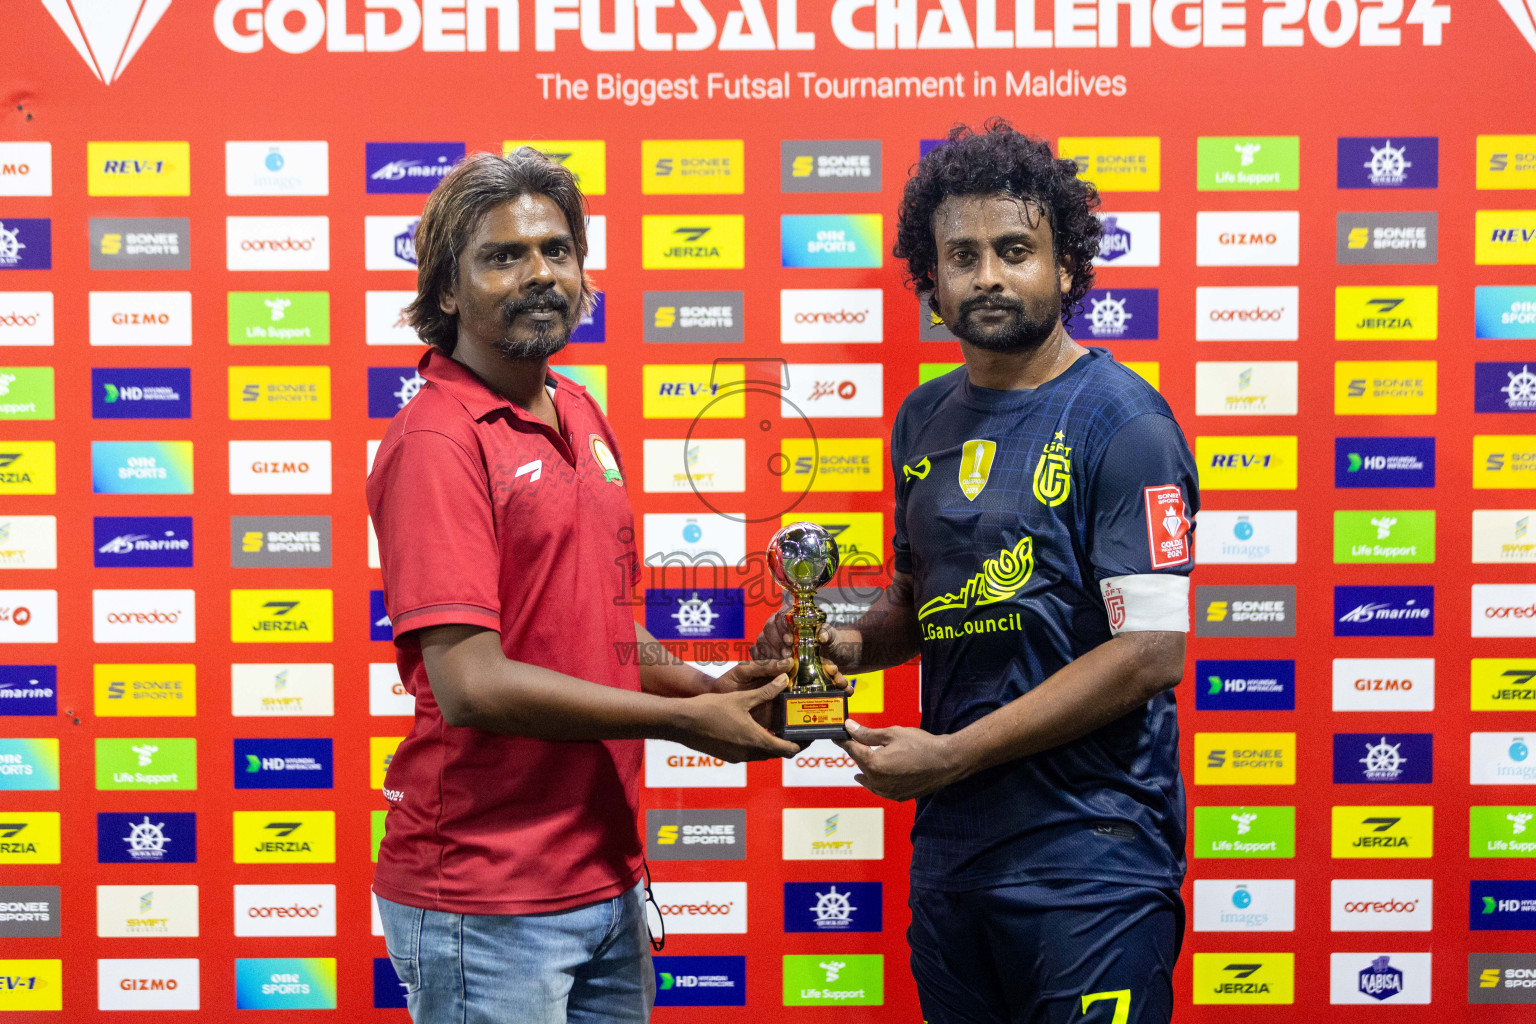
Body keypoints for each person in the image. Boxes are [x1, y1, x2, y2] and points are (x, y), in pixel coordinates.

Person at [759, 120, 1198, 1024]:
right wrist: (827, 637)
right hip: (956, 851)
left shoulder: (1127, 423)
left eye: (1015, 250)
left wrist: (952, 753)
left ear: (1067, 267)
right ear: (932, 282)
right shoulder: (922, 420)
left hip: (1092, 855)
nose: (988, 275)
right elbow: (924, 610)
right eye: (962, 255)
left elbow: (1152, 650)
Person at [366, 150, 806, 1024]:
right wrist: (686, 724)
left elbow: (597, 631)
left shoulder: (580, 409)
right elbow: (473, 684)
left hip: (606, 878)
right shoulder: (438, 441)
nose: (540, 274)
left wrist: (711, 690)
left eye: (558, 251)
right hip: (487, 900)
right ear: (446, 291)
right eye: (503, 256)